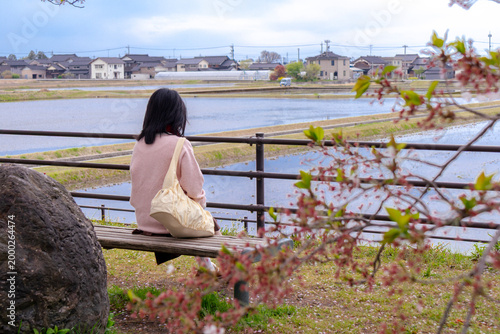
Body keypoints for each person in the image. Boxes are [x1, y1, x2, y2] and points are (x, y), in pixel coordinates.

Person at [130, 88, 220, 270]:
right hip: (167, 224)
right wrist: (201, 206)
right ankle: (209, 268)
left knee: (193, 217)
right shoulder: (180, 144)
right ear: (177, 115)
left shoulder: (139, 144)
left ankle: (207, 268)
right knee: (211, 226)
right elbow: (194, 188)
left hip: (144, 221)